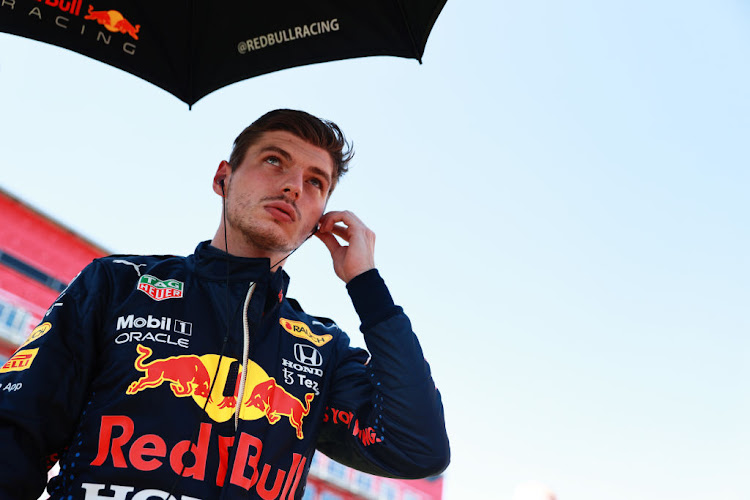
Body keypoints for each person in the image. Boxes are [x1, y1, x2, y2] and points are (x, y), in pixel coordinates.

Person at [0, 109, 450, 500]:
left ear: (320, 221)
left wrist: (367, 286)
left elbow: (418, 447)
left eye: (316, 182)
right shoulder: (118, 284)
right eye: (275, 161)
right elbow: (14, 435)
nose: (294, 186)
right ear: (223, 178)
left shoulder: (322, 349)